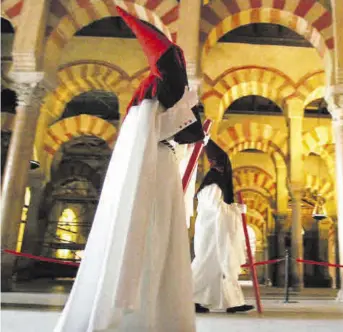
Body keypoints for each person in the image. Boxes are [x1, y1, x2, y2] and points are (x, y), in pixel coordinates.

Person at [54, 7, 204, 332]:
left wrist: (191, 115)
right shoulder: (157, 91)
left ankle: (153, 315)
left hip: (159, 167)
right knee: (152, 238)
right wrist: (192, 113)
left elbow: (180, 129)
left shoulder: (150, 94)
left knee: (159, 239)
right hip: (155, 170)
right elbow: (188, 132)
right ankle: (140, 318)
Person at [191, 139, 254, 314]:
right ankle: (191, 299)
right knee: (206, 266)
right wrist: (235, 210)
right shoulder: (213, 182)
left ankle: (233, 303)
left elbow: (221, 207)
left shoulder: (216, 182)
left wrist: (235, 208)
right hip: (212, 235)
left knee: (223, 268)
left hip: (216, 234)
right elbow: (217, 209)